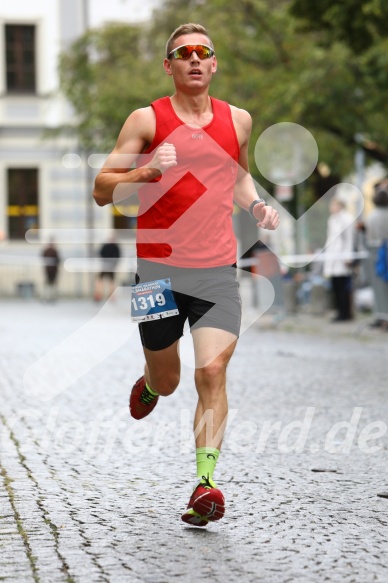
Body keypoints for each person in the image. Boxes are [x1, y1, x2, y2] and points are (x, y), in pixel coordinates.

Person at [93, 23, 279, 527]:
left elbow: (236, 174)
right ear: (169, 65)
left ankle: (206, 484)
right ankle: (150, 383)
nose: (195, 60)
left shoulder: (237, 120)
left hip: (218, 268)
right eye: (184, 53)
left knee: (212, 372)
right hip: (156, 271)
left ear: (214, 64)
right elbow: (101, 188)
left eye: (203, 52)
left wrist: (257, 204)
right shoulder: (146, 120)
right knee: (170, 378)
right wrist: (143, 172)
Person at [323, 197, 355, 321]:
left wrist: (348, 256)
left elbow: (349, 239)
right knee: (336, 286)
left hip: (342, 257)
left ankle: (346, 313)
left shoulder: (347, 219)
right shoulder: (332, 219)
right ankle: (340, 312)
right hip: (333, 256)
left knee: (344, 287)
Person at [363, 185, 388, 328]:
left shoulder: (371, 216)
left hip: (376, 254)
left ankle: (381, 316)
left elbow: (368, 237)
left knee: (379, 287)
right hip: (382, 252)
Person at [93, 236, 121, 301]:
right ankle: (110, 296)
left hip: (105, 266)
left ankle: (100, 294)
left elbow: (100, 254)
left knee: (101, 280)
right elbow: (118, 257)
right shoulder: (115, 247)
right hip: (110, 266)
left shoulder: (106, 246)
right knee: (110, 281)